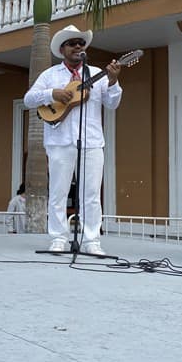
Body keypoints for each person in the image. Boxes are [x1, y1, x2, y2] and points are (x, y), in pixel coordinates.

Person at [23, 25, 122, 254]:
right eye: (72, 43)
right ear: (62, 49)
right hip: (59, 141)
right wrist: (52, 94)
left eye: (81, 43)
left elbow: (113, 103)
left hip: (92, 142)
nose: (78, 46)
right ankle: (58, 238)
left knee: (92, 194)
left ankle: (91, 241)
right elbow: (29, 99)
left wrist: (114, 81)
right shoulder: (50, 75)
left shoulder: (96, 74)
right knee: (58, 192)